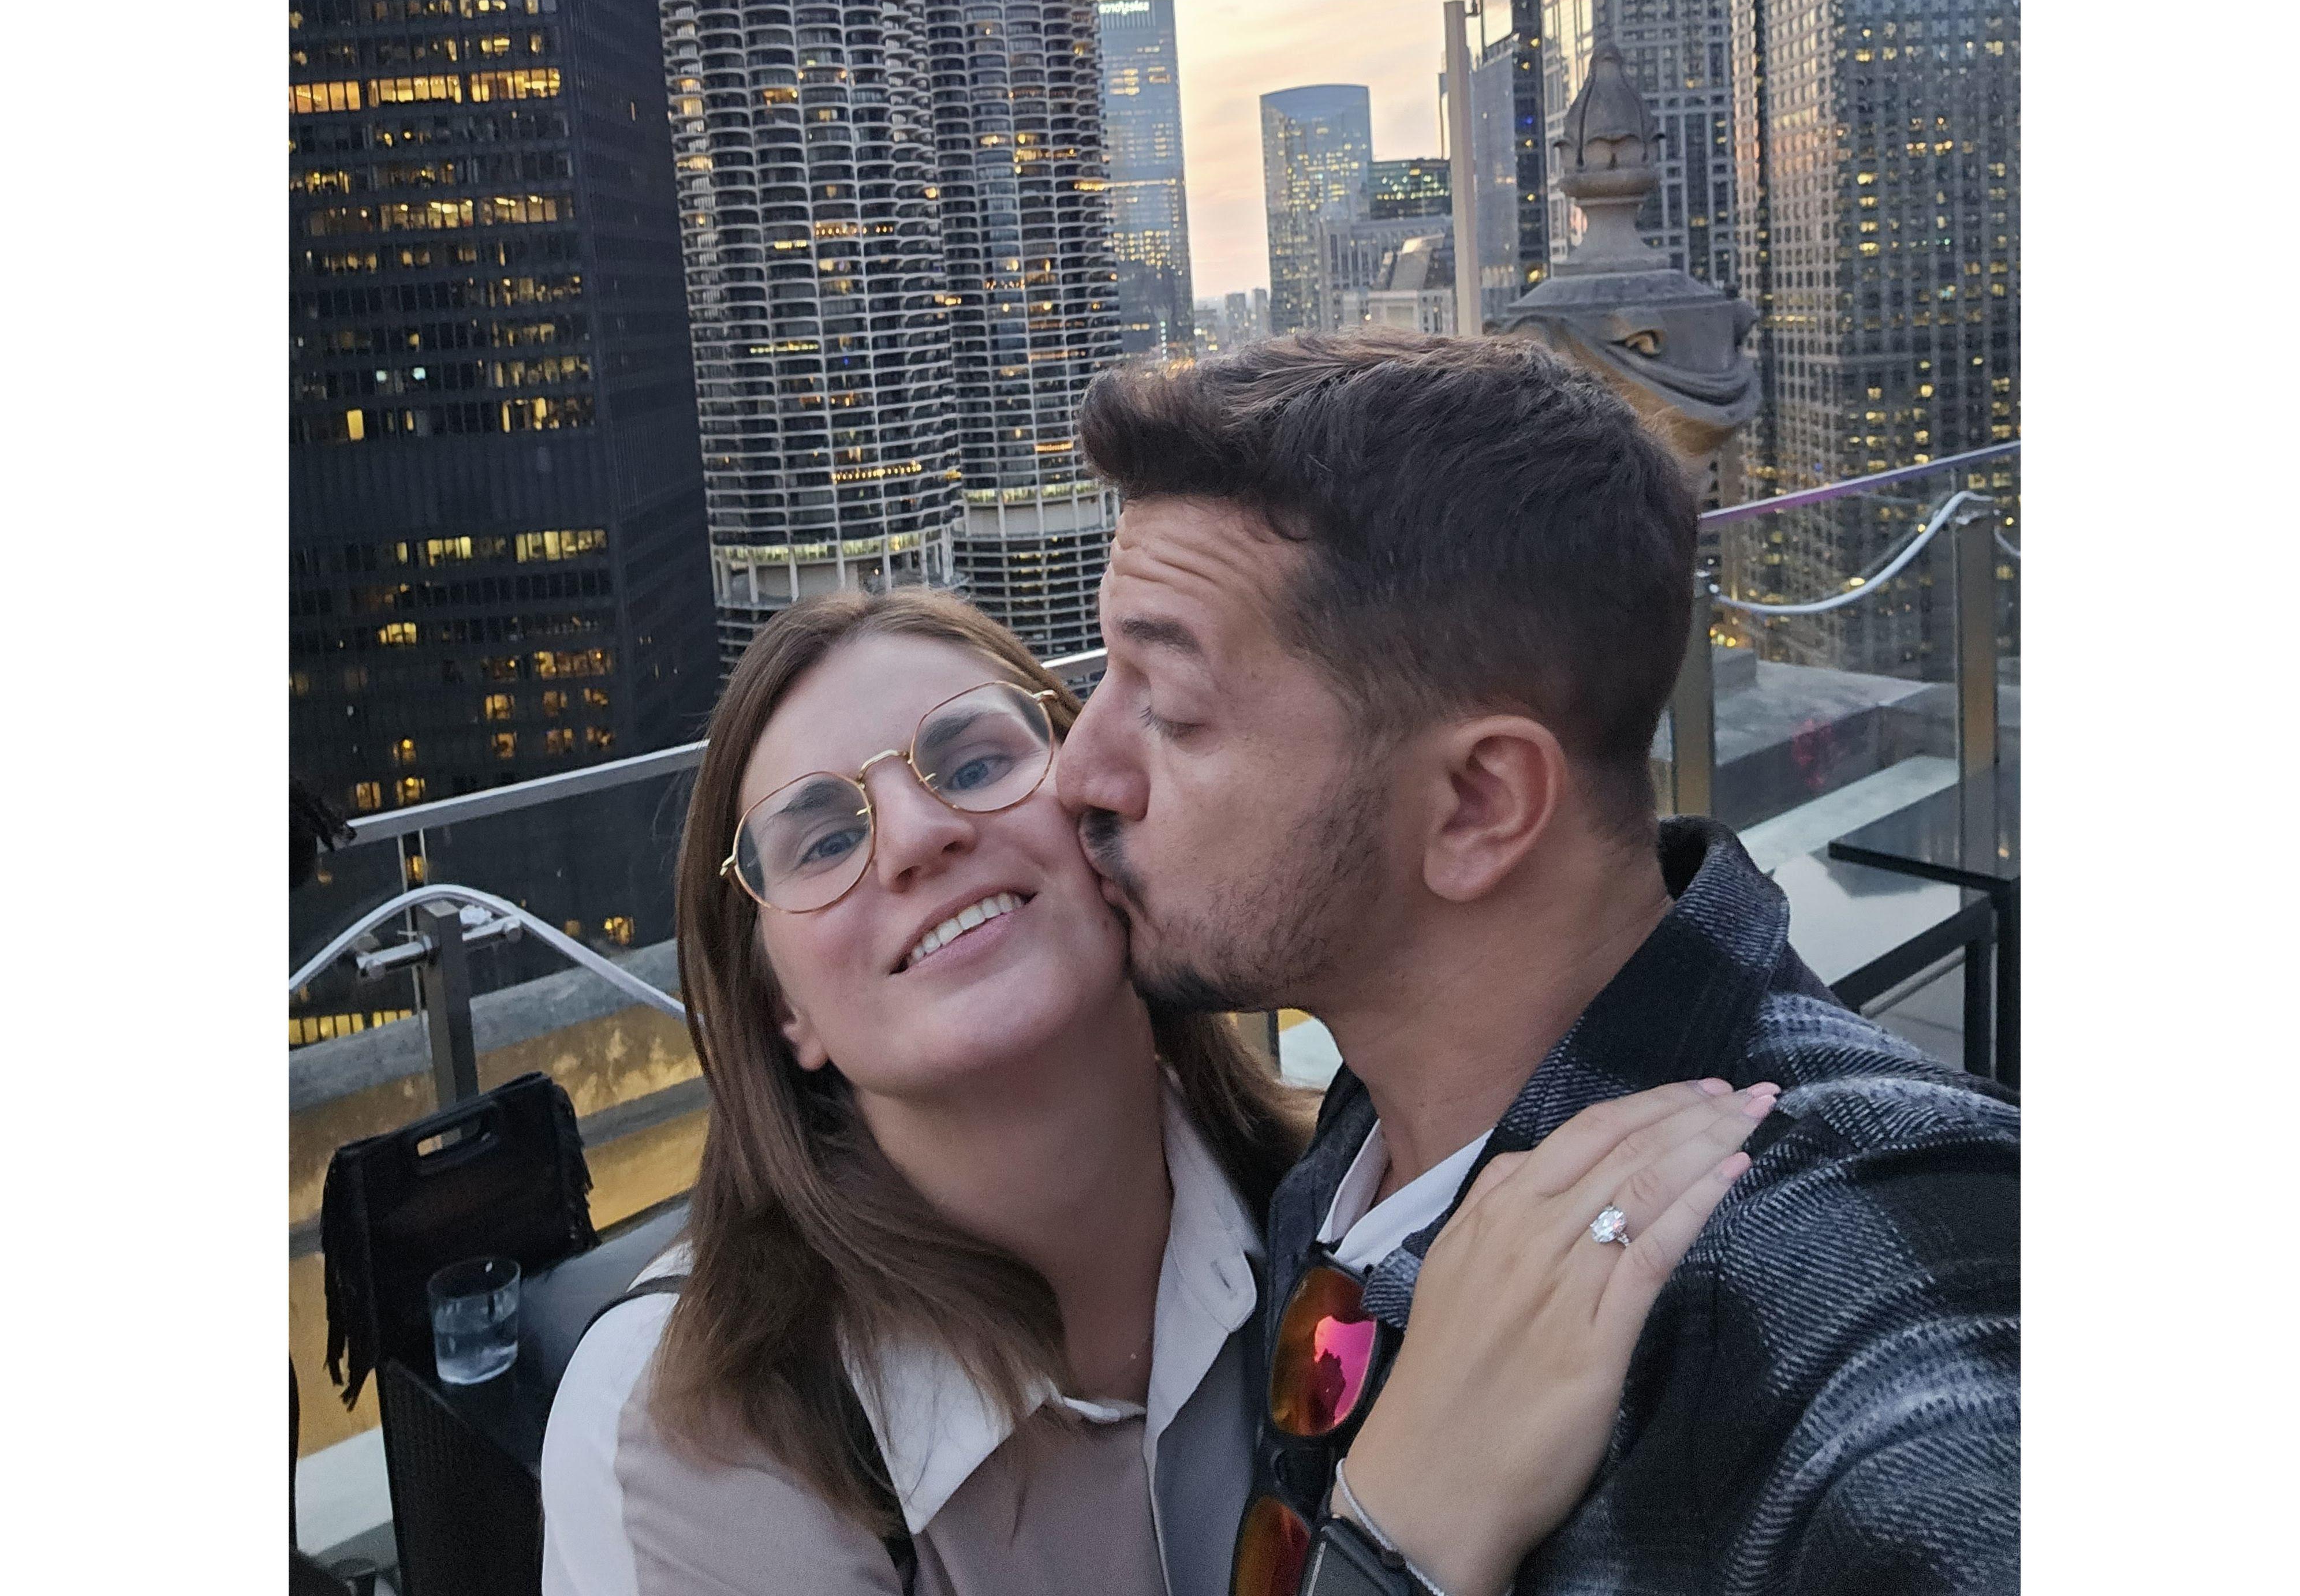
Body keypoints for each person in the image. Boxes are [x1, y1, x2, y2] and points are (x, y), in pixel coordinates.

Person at [542, 588, 1775, 1596]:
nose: (917, 835)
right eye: (821, 840)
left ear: (1103, 809)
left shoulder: (1348, 1212)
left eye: (975, 759)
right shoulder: (689, 1431)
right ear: (783, 1012)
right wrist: (1393, 1538)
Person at [1060, 331, 2022, 1596]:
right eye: (1102, 678)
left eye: (1172, 711)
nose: (1077, 772)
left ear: (1477, 805)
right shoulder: (1374, 1135)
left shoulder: (1842, 1253)